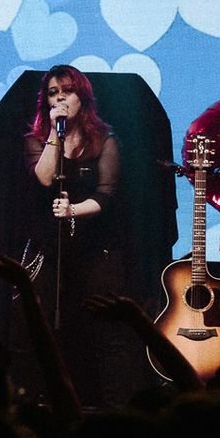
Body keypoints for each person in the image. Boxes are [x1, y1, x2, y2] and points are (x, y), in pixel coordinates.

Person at [20, 65, 137, 405]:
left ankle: (112, 407)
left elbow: (106, 195)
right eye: (53, 92)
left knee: (103, 330)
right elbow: (43, 178)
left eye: (66, 91)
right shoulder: (38, 140)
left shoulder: (105, 140)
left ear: (82, 98)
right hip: (52, 250)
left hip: (96, 249)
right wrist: (56, 134)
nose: (60, 98)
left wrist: (74, 209)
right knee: (46, 326)